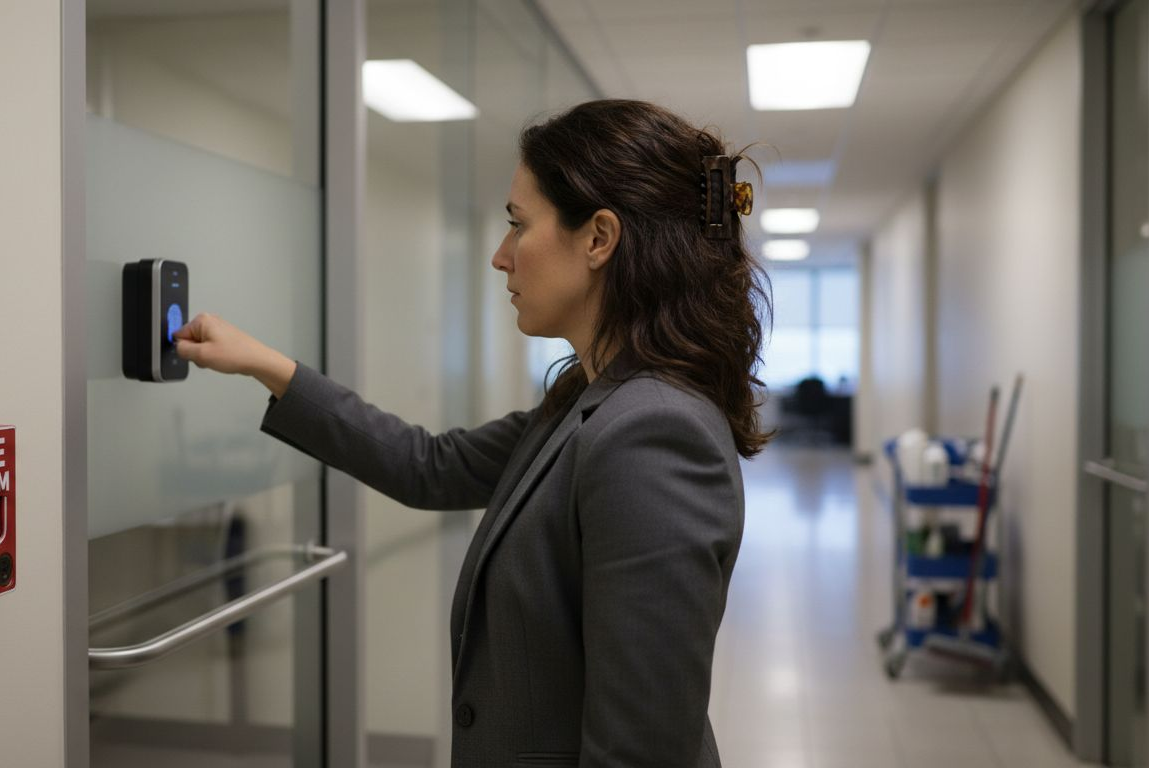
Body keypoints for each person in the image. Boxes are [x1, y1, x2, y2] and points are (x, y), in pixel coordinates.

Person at [174, 99, 771, 768]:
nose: (499, 255)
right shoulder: (591, 399)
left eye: (519, 225)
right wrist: (265, 363)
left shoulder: (654, 435)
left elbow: (639, 751)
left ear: (599, 239)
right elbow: (428, 465)